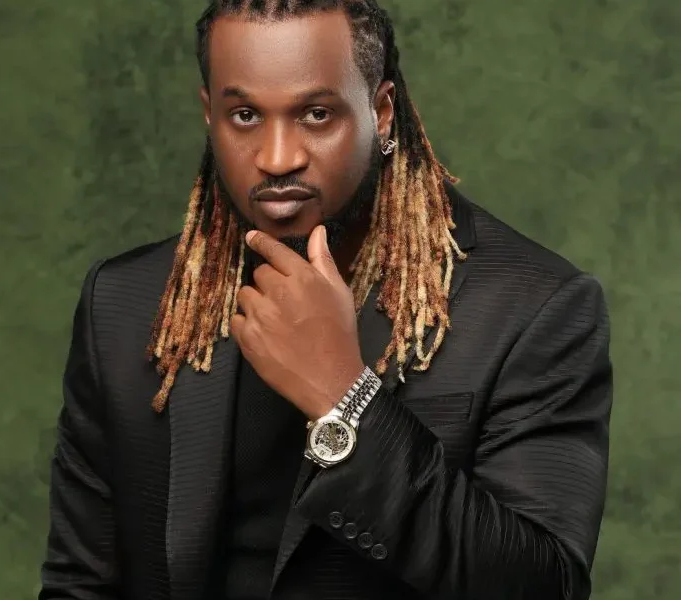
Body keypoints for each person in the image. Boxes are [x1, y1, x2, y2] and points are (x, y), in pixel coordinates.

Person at [38, 1, 613, 599]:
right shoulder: (124, 303)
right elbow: (80, 585)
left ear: (381, 113)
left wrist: (344, 398)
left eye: (316, 114)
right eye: (244, 115)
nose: (277, 158)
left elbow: (544, 586)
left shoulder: (533, 307)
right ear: (210, 114)